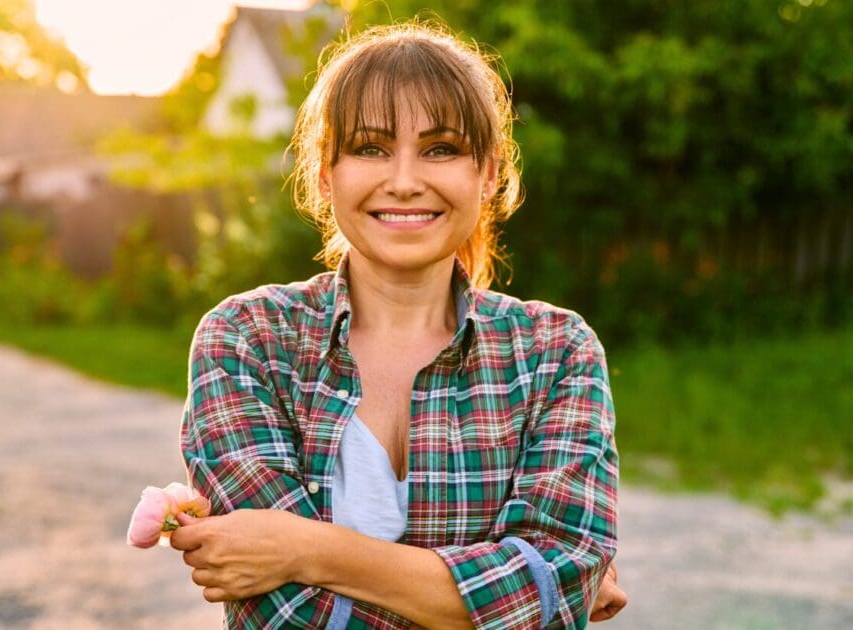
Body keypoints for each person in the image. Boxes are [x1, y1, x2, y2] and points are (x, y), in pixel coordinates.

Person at [169, 19, 626, 629]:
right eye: (370, 148)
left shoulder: (555, 353)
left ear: (488, 174)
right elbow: (282, 615)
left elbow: (556, 582)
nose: (405, 182)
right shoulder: (247, 339)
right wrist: (517, 599)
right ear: (326, 174)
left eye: (441, 149)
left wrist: (307, 549)